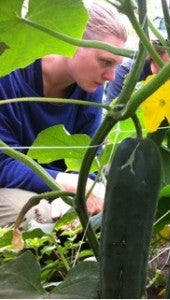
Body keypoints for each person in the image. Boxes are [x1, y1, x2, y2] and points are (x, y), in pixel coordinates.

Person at [0, 1, 128, 228]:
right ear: (70, 40)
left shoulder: (91, 87)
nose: (111, 76)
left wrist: (71, 195)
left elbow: (88, 155)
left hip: (58, 186)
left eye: (117, 65)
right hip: (9, 184)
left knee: (122, 184)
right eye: (106, 61)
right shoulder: (8, 73)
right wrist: (70, 186)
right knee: (37, 216)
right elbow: (3, 165)